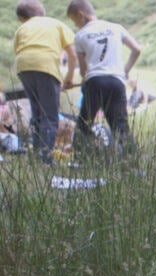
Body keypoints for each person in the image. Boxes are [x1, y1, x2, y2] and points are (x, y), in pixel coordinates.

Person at [66, 0, 141, 153]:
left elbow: (83, 71)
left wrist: (83, 79)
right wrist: (125, 70)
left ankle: (88, 156)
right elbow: (137, 49)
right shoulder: (116, 27)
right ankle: (132, 161)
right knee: (120, 126)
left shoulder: (80, 36)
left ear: (81, 15)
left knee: (84, 124)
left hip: (95, 81)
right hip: (117, 81)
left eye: (75, 22)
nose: (76, 26)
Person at [13, 0, 77, 162]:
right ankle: (46, 159)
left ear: (22, 18)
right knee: (50, 116)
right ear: (42, 11)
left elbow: (18, 51)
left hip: (23, 66)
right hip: (46, 65)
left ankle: (36, 154)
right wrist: (69, 78)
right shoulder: (55, 23)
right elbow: (72, 53)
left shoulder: (22, 28)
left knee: (37, 113)